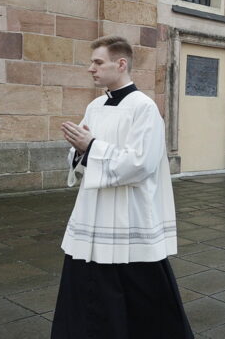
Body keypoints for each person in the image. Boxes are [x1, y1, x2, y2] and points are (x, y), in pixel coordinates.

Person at [52, 36, 193, 338]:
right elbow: (81, 154)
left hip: (129, 213)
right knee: (88, 282)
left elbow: (142, 163)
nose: (91, 69)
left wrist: (91, 147)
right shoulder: (95, 105)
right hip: (94, 211)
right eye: (92, 63)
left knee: (139, 291)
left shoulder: (144, 108)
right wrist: (79, 151)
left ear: (121, 64)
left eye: (98, 62)